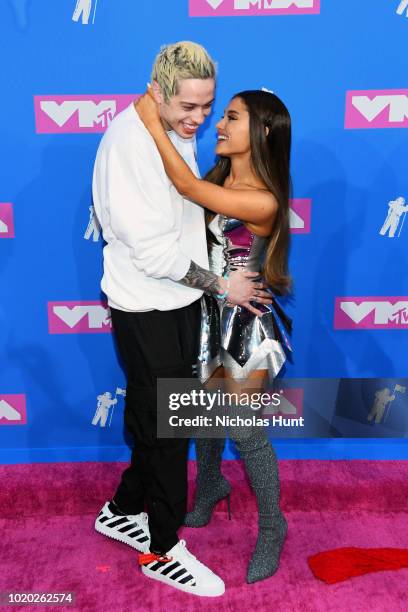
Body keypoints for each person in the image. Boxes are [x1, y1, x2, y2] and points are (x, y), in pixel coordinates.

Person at [92, 42, 271, 597]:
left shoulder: (169, 130)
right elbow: (154, 253)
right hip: (147, 307)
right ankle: (162, 549)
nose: (198, 118)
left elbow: (187, 198)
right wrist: (222, 285)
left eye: (207, 106)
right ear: (156, 92)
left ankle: (122, 510)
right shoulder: (131, 143)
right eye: (186, 107)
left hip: (174, 305)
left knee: (158, 418)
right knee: (167, 432)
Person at [136, 87, 293, 584]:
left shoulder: (264, 197)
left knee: (244, 430)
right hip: (203, 319)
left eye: (231, 117)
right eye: (219, 116)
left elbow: (184, 187)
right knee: (203, 417)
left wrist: (150, 122)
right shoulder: (217, 176)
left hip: (248, 328)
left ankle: (274, 526)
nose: (217, 125)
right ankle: (209, 486)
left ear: (263, 131)